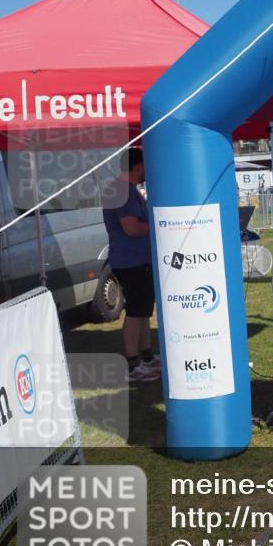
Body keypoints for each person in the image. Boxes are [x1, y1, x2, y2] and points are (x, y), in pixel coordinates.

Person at [101, 148, 160, 383]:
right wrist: (159, 227)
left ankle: (145, 357)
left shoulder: (126, 190)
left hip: (137, 260)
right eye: (146, 166)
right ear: (138, 167)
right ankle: (132, 364)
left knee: (144, 310)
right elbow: (131, 227)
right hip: (131, 261)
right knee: (136, 312)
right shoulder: (122, 191)